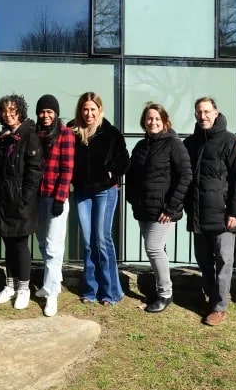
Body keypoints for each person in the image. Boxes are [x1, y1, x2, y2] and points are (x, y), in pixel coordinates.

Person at [183, 97, 236, 326]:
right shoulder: (190, 143)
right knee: (203, 261)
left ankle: (219, 307)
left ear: (216, 112)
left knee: (224, 261)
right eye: (199, 112)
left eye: (207, 111)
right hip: (198, 214)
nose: (203, 116)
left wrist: (235, 212)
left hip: (223, 215)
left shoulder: (231, 141)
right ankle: (211, 298)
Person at [126, 102, 192, 313]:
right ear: (144, 122)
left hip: (163, 211)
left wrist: (171, 207)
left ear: (164, 121)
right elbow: (132, 176)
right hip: (144, 209)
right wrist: (132, 199)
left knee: (153, 248)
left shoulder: (174, 144)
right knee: (157, 250)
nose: (152, 122)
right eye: (149, 118)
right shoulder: (140, 146)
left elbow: (185, 175)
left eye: (157, 118)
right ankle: (159, 289)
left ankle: (165, 293)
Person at [69, 91, 129, 306]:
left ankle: (111, 292)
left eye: (93, 109)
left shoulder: (111, 133)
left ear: (100, 110)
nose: (89, 113)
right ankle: (90, 290)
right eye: (85, 109)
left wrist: (111, 173)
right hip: (83, 193)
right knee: (88, 242)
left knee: (103, 240)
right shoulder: (73, 131)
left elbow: (124, 159)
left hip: (105, 191)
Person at [0, 94, 44, 310]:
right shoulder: (4, 137)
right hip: (3, 200)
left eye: (13, 110)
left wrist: (24, 199)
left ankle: (23, 289)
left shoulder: (29, 136)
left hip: (19, 201)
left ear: (20, 111)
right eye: (4, 111)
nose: (9, 115)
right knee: (7, 243)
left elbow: (35, 170)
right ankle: (9, 285)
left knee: (20, 245)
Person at [34, 94, 75, 317]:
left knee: (52, 246)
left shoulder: (65, 134)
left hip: (55, 198)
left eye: (50, 111)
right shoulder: (36, 133)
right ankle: (53, 283)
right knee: (42, 242)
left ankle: (51, 294)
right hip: (38, 197)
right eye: (42, 111)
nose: (46, 115)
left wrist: (60, 198)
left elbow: (67, 169)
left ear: (56, 113)